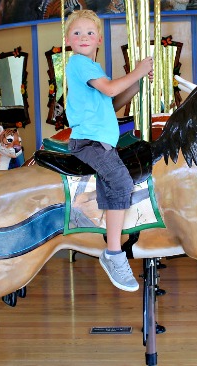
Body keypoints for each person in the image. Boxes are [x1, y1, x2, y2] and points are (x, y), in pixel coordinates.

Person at [64, 10, 153, 292]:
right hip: (89, 141)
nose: (83, 37)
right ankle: (113, 253)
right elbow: (112, 89)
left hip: (101, 140)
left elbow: (112, 102)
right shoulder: (79, 63)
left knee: (120, 177)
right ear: (68, 40)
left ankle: (102, 217)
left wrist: (136, 84)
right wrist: (136, 71)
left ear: (99, 39)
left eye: (90, 33)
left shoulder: (92, 69)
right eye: (77, 33)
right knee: (121, 181)